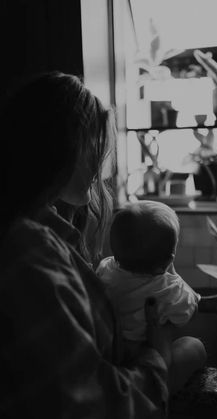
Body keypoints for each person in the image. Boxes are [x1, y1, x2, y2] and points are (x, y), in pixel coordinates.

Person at [0, 72, 172, 418]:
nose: (99, 162)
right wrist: (157, 357)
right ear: (63, 144)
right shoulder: (26, 252)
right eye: (95, 142)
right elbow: (89, 404)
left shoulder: (44, 230)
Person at [97, 200, 207, 393]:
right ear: (169, 258)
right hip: (150, 361)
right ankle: (161, 393)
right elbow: (189, 311)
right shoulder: (169, 288)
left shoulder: (105, 269)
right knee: (194, 346)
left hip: (112, 358)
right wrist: (172, 274)